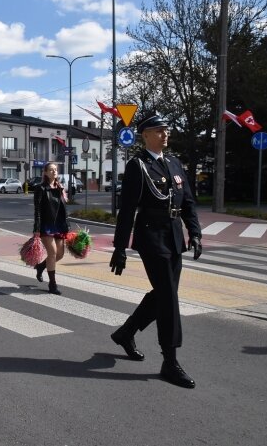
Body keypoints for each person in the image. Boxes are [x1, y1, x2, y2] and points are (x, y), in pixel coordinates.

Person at [109, 112, 202, 389]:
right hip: (151, 237)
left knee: (164, 293)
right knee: (169, 297)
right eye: (159, 131)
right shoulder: (139, 165)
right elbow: (126, 209)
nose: (165, 135)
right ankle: (170, 361)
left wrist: (194, 233)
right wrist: (120, 247)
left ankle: (126, 333)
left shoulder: (173, 163)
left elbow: (188, 202)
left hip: (174, 237)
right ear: (146, 135)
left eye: (166, 130)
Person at [32, 162, 68, 295]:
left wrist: (67, 225)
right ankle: (52, 284)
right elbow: (37, 210)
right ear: (45, 172)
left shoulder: (60, 187)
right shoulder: (40, 188)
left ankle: (41, 266)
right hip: (46, 226)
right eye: (51, 170)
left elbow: (64, 209)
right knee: (52, 253)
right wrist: (37, 228)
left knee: (60, 255)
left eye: (55, 170)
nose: (54, 172)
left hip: (59, 225)